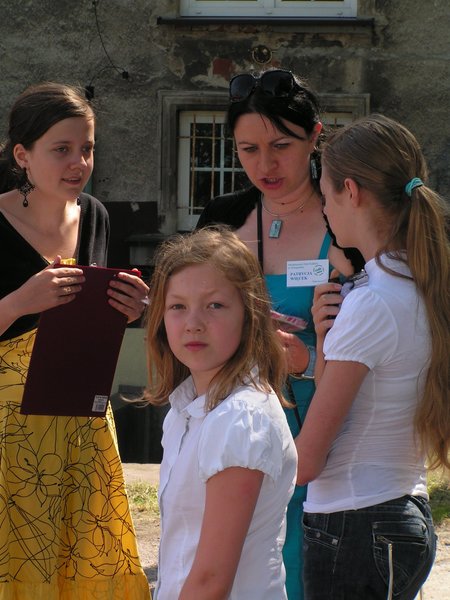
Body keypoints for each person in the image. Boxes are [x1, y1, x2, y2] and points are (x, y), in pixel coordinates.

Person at [196, 67, 365, 598]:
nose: (264, 165)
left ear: (315, 137)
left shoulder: (349, 221)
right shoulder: (223, 217)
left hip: (326, 429)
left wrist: (307, 358)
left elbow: (385, 334)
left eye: (281, 146)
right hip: (236, 428)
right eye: (248, 149)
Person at [0, 82, 151, 599]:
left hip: (81, 417)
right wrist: (19, 302)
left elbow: (89, 321)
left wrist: (129, 310)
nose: (78, 163)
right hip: (9, 434)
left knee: (86, 559)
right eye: (61, 149)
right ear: (23, 155)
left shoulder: (97, 215)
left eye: (86, 148)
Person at [297, 113, 449, 599]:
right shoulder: (416, 283)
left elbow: (306, 461)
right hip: (397, 511)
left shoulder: (373, 302)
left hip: (356, 523)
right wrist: (326, 343)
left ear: (351, 191)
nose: (325, 209)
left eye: (325, 195)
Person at [145, 227, 297, 599]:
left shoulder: (241, 417)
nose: (193, 322)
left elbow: (211, 581)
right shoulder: (185, 410)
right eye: (178, 306)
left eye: (214, 305)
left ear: (249, 315)